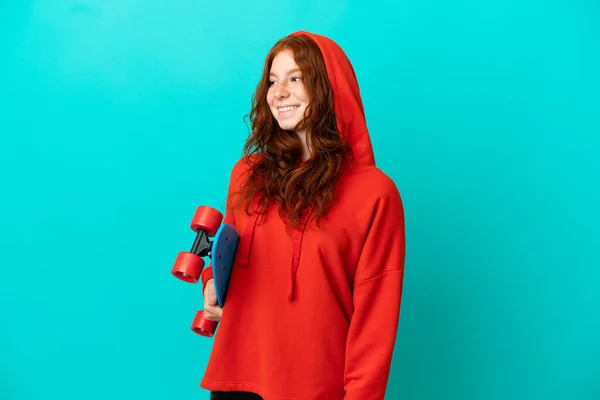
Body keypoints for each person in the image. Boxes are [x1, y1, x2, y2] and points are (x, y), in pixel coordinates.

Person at [198, 30, 406, 400]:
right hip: (236, 379)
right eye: (273, 81)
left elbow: (375, 319)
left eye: (296, 78)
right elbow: (227, 254)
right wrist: (213, 280)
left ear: (328, 88)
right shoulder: (246, 174)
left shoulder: (375, 193)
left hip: (314, 388)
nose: (279, 92)